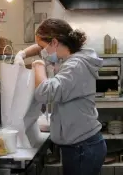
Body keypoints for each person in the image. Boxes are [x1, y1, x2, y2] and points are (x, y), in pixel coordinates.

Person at [14, 18, 107, 175]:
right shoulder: (72, 58)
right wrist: (21, 54)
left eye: (44, 48)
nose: (42, 53)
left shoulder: (75, 66)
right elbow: (39, 46)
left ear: (55, 42)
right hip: (80, 145)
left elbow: (45, 93)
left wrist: (38, 66)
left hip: (83, 149)